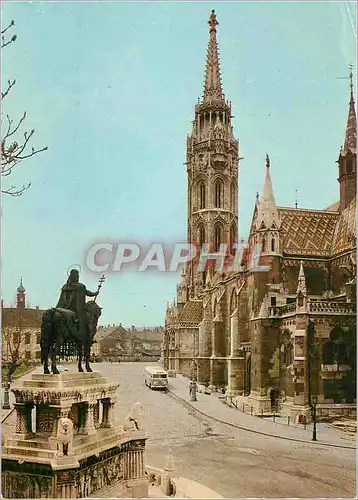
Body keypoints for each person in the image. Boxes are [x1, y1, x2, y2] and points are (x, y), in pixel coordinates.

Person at [56, 268, 99, 340]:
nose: (78, 277)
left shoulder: (65, 286)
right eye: (77, 275)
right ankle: (88, 335)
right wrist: (96, 293)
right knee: (88, 318)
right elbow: (88, 293)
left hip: (62, 307)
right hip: (75, 309)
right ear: (76, 276)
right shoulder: (80, 286)